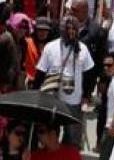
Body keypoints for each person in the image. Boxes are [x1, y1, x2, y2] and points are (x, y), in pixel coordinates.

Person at [33, 15, 95, 148]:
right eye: (68, 28)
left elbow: (89, 74)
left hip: (74, 100)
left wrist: (86, 97)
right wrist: (34, 94)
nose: (71, 32)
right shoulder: (51, 47)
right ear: (61, 30)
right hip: (52, 98)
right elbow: (40, 72)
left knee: (72, 138)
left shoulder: (83, 48)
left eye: (74, 29)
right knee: (50, 134)